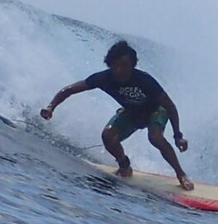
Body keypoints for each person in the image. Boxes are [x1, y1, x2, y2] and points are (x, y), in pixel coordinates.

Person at [42, 39, 194, 190]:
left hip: (156, 111)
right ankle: (124, 166)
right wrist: (51, 107)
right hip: (133, 113)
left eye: (124, 65)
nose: (119, 70)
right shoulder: (104, 78)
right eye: (115, 65)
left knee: (155, 137)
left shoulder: (145, 81)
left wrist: (177, 136)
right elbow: (70, 90)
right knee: (108, 135)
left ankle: (181, 174)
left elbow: (170, 106)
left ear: (132, 65)